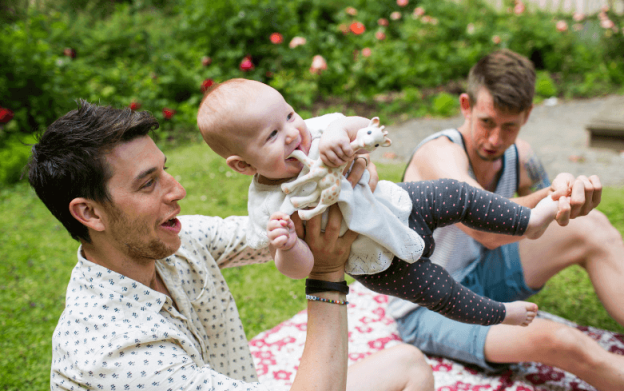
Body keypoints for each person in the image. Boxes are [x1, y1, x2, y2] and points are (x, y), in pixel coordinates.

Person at [29, 100, 435, 391]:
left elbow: (275, 230)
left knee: (409, 368)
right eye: (149, 183)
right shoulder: (114, 361)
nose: (179, 190)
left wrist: (340, 181)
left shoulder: (171, 242)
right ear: (90, 214)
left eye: (165, 171)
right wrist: (327, 277)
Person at [196, 78, 571, 329]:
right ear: (243, 165)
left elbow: (361, 125)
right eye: (273, 134)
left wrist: (343, 132)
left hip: (400, 204)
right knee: (439, 291)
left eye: (290, 114)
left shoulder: (318, 131)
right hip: (376, 262)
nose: (294, 131)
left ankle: (529, 221)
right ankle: (500, 315)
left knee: (457, 194)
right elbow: (299, 269)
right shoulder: (269, 209)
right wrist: (288, 246)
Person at [389, 48, 624, 391]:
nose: (496, 140)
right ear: (466, 106)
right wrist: (552, 193)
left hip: (482, 275)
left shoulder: (522, 157)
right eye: (487, 122)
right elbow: (489, 230)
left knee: (592, 227)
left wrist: (567, 196)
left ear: (527, 114)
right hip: (428, 306)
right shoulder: (438, 155)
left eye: (509, 126)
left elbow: (548, 223)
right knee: (557, 340)